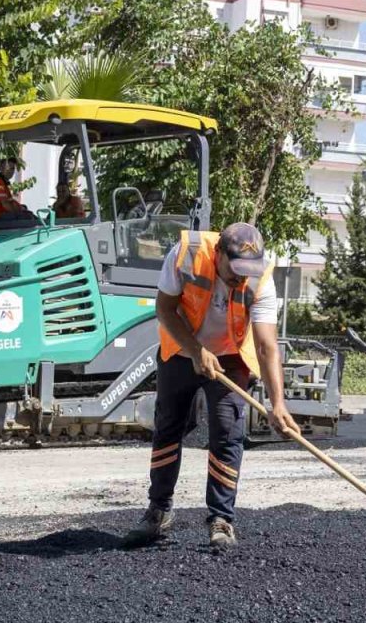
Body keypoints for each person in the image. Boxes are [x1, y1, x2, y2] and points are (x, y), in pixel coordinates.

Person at [124, 222, 299, 550]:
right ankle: (158, 511)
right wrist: (195, 351)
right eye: (235, 270)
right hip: (180, 349)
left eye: (247, 271)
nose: (240, 278)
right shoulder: (186, 255)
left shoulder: (261, 278)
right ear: (218, 253)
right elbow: (165, 309)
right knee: (168, 429)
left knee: (228, 434)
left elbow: (266, 346)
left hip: (231, 356)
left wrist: (278, 403)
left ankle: (221, 519)